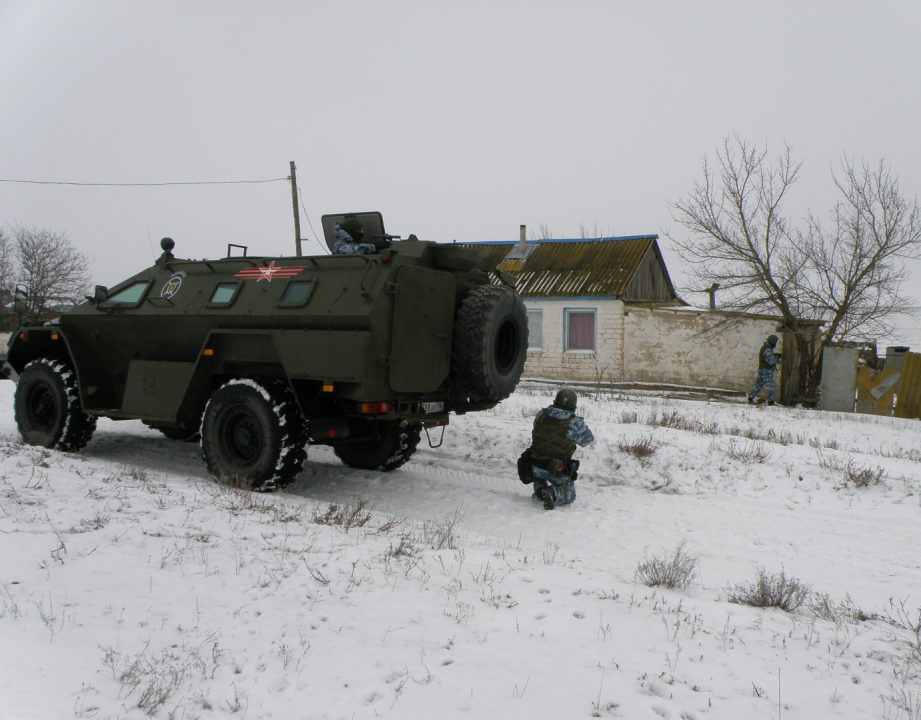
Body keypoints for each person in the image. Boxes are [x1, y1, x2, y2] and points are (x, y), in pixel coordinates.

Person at [529, 387, 594, 510]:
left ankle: (540, 491)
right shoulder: (573, 422)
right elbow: (587, 440)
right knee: (569, 496)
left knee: (539, 476)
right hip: (556, 468)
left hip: (535, 465)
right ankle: (554, 494)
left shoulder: (541, 414)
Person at [747, 334, 782, 405]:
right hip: (766, 371)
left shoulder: (765, 348)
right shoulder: (768, 350)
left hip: (762, 370)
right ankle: (771, 401)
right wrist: (777, 358)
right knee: (770, 386)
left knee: (758, 385)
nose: (775, 344)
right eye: (775, 342)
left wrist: (774, 355)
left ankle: (750, 397)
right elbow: (771, 362)